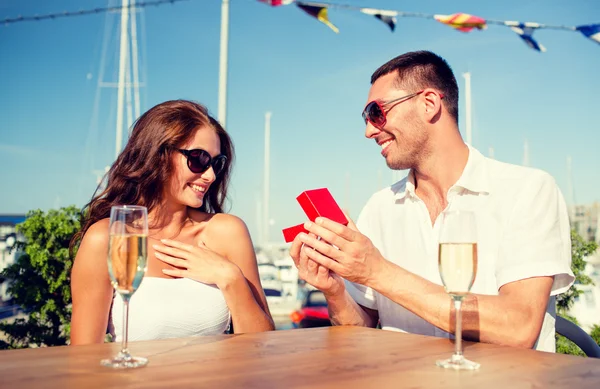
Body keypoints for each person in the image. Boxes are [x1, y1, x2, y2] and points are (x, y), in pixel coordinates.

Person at [289, 51, 574, 352]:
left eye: (376, 112)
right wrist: (334, 291)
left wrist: (377, 271)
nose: (368, 130)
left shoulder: (527, 190)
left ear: (429, 104)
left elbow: (517, 327)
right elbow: (360, 328)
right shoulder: (379, 207)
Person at [70, 100, 274, 345]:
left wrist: (230, 277)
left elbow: (262, 345)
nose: (210, 175)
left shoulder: (227, 232)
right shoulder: (107, 238)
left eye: (216, 163)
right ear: (158, 155)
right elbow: (84, 357)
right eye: (199, 159)